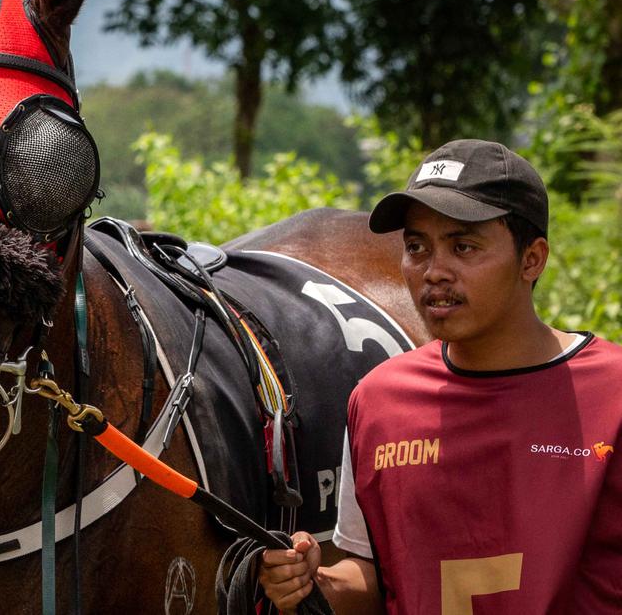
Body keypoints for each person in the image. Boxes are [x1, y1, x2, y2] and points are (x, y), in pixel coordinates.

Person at [259, 139, 622, 613]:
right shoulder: (378, 401)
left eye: (463, 246)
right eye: (417, 247)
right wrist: (313, 582)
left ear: (532, 259)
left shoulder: (612, 392)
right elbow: (371, 574)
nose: (434, 272)